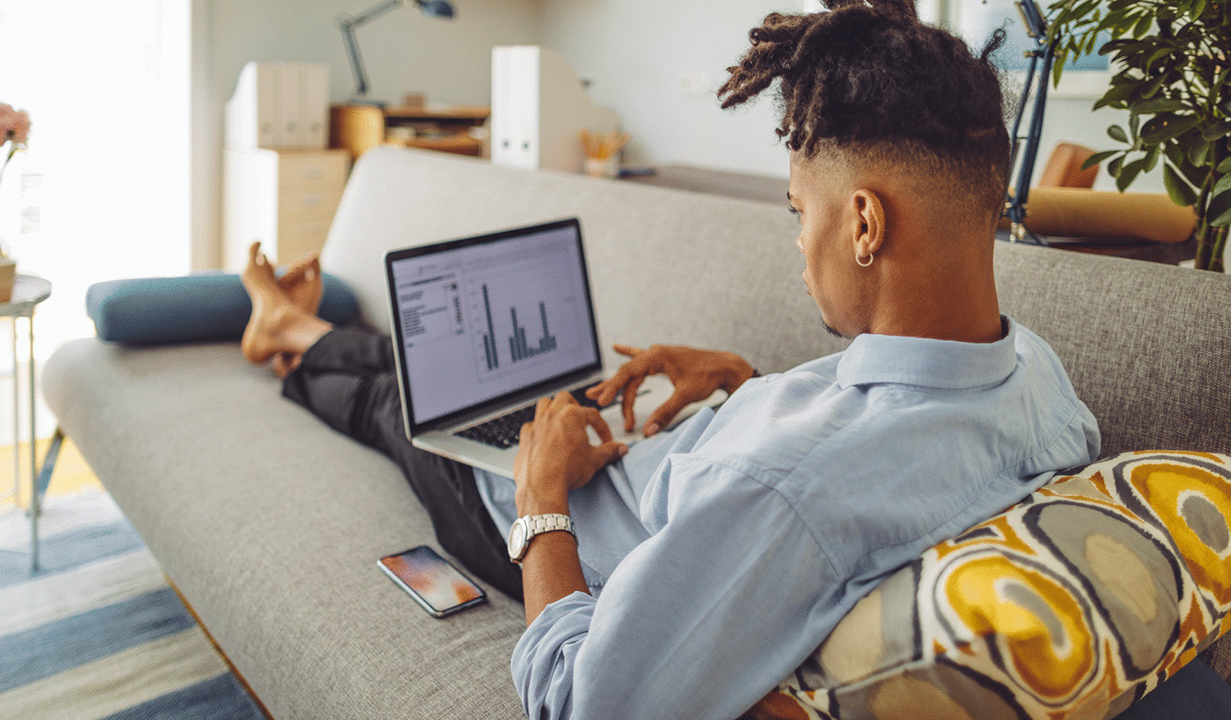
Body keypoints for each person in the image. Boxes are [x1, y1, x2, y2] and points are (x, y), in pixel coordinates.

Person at [240, 2, 1105, 718]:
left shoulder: (787, 498)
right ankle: (299, 331)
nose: (800, 246)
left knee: (400, 410)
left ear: (866, 225)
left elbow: (582, 702)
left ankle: (286, 331)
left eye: (800, 211)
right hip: (660, 450)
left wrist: (541, 496)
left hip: (570, 509)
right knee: (441, 380)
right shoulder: (1037, 377)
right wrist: (746, 388)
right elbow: (874, 443)